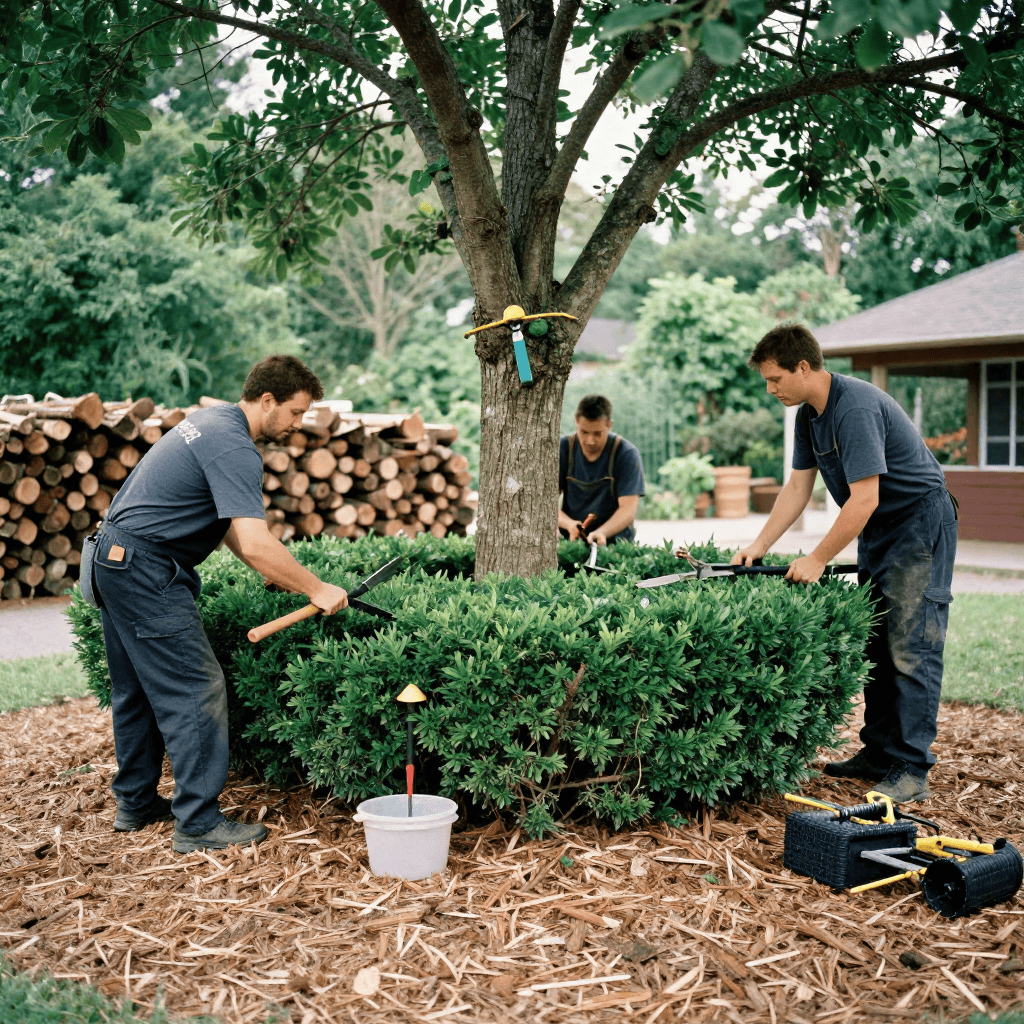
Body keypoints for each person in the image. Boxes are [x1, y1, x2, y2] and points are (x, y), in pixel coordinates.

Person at [87, 356, 349, 853]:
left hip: (113, 558)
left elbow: (229, 524)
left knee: (137, 690)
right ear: (267, 400)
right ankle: (199, 823)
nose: (296, 426)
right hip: (144, 571)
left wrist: (277, 576)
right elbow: (254, 541)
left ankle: (137, 803)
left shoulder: (208, 423)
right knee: (196, 688)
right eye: (294, 412)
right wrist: (317, 588)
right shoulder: (234, 447)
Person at [729, 324, 957, 803]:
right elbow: (798, 487)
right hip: (880, 526)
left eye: (775, 379)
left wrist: (817, 557)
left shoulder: (853, 408)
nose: (770, 390)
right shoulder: (808, 417)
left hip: (918, 522)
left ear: (804, 368)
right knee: (878, 642)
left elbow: (865, 497)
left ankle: (912, 769)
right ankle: (878, 754)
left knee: (911, 644)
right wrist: (760, 545)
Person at [558, 395, 645, 545]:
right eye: (584, 432)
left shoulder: (626, 454)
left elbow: (628, 509)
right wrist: (568, 524)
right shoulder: (563, 449)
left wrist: (602, 532)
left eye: (597, 433)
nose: (590, 441)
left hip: (616, 549)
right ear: (576, 420)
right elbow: (544, 502)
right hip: (572, 545)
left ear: (609, 424)